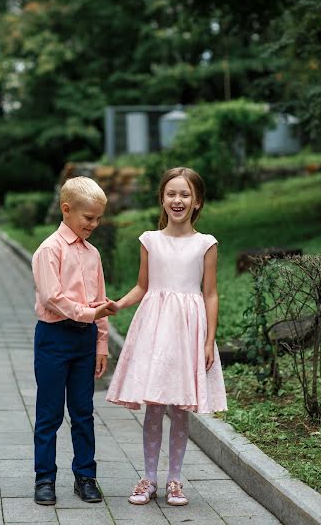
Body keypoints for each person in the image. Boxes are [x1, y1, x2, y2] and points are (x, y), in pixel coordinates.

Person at [106, 166, 227, 507]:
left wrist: (208, 340)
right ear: (162, 198)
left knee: (180, 406)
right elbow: (143, 285)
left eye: (185, 194)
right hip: (155, 329)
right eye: (171, 193)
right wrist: (119, 303)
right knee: (155, 405)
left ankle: (175, 479)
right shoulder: (150, 240)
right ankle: (148, 477)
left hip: (189, 330)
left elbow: (211, 294)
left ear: (197, 201)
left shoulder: (206, 244)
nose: (178, 200)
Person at [31, 176, 118, 506]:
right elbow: (53, 298)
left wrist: (101, 343)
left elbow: (100, 300)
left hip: (84, 341)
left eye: (98, 218)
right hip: (54, 337)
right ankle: (44, 478)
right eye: (89, 218)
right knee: (50, 412)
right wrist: (89, 314)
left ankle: (85, 475)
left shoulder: (92, 254)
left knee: (83, 411)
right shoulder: (48, 251)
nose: (94, 224)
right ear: (66, 210)